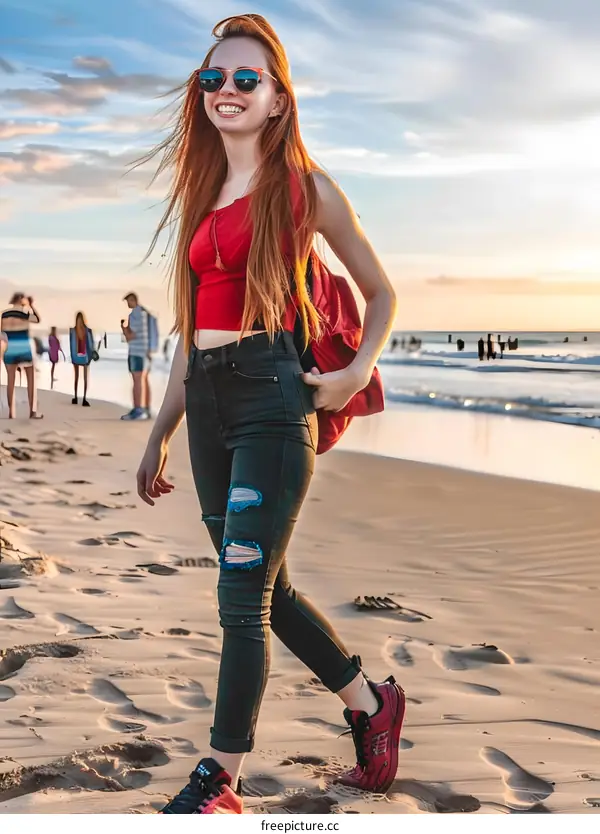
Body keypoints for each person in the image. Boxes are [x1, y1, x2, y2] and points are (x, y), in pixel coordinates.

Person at [134, 14, 400, 815]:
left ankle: (221, 780)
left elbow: (384, 292)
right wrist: (159, 432)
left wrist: (354, 374)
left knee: (239, 600)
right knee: (265, 589)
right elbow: (190, 332)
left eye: (245, 79)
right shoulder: (203, 194)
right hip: (209, 400)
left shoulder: (305, 191)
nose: (225, 91)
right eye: (212, 79)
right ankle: (370, 704)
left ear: (279, 99)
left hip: (272, 403)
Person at [1, 293, 43, 419]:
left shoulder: (4, 314)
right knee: (31, 379)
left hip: (10, 349)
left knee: (10, 381)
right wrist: (31, 305)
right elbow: (37, 319)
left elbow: (1, 332)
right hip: (24, 348)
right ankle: (32, 411)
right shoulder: (24, 313)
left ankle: (11, 412)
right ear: (20, 299)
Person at [121, 292, 151, 420]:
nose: (128, 304)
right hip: (142, 351)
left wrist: (123, 328)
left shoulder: (134, 315)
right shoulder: (144, 314)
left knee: (136, 381)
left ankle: (137, 409)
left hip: (135, 351)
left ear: (133, 300)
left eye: (128, 301)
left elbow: (130, 337)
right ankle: (141, 408)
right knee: (140, 380)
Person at [69, 312, 94, 406]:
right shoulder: (87, 330)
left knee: (76, 378)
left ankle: (75, 397)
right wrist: (91, 355)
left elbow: (71, 345)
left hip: (75, 356)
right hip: (85, 356)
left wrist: (72, 357)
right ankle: (84, 399)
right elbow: (91, 344)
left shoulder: (73, 331)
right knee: (85, 378)